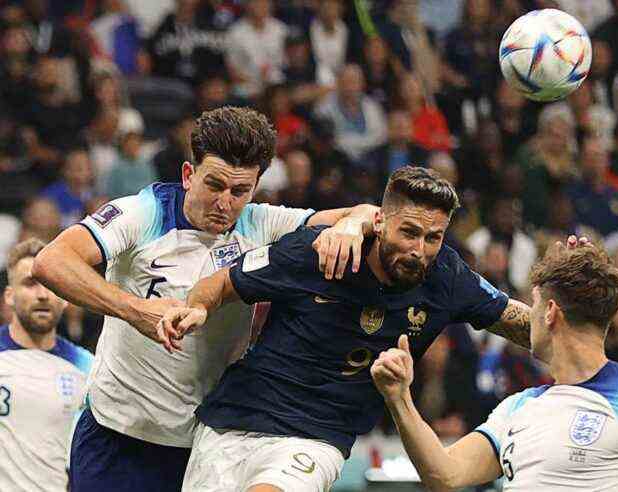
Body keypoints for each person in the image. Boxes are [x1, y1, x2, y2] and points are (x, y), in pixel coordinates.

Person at [32, 106, 377, 492]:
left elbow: (372, 213)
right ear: (187, 175)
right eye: (214, 185)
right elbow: (50, 261)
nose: (225, 203)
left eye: (240, 191)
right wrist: (134, 310)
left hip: (207, 445)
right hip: (119, 435)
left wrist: (352, 223)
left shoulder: (260, 222)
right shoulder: (142, 213)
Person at [157, 166, 532, 491]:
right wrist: (198, 310)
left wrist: (577, 321)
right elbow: (220, 284)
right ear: (380, 221)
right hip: (232, 419)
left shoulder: (447, 276)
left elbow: (516, 321)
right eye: (409, 232)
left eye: (433, 238)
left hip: (316, 436)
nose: (420, 249)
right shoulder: (317, 251)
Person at [371, 240, 618, 491]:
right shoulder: (517, 407)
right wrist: (399, 398)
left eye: (533, 305)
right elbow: (445, 475)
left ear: (549, 311)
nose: (527, 316)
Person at [0, 238, 92, 491]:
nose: (42, 294)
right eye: (30, 284)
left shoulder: (88, 368)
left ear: (66, 297)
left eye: (52, 285)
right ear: (9, 295)